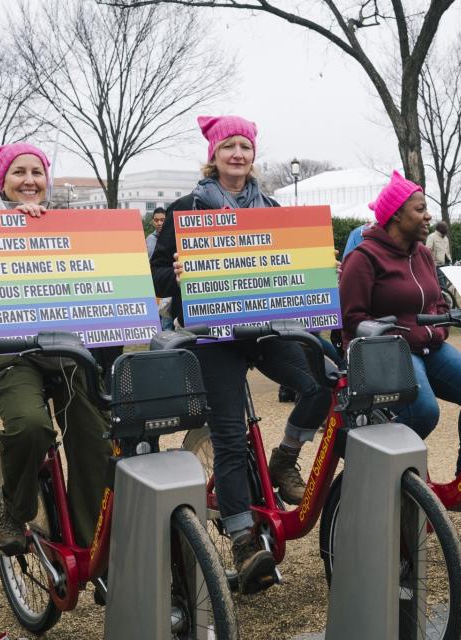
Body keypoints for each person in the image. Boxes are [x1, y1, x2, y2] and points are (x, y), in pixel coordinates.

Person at [150, 115, 331, 593]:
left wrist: (317, 268)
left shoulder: (270, 206)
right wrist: (178, 272)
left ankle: (284, 457)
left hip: (264, 327)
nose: (237, 154)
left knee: (321, 383)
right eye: (227, 146)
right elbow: (157, 279)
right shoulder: (186, 208)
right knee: (229, 438)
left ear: (254, 155)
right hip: (212, 334)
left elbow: (288, 268)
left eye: (244, 147)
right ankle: (243, 542)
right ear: (213, 155)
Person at [0, 143, 112, 557]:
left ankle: (93, 548)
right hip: (11, 354)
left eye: (37, 172)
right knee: (30, 427)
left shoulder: (69, 227)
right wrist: (8, 232)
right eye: (19, 172)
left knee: (97, 437)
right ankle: (15, 509)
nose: (30, 180)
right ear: (3, 182)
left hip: (66, 349)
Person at [339, 171, 461, 485]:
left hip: (430, 347)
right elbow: (352, 319)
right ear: (396, 215)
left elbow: (437, 302)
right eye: (420, 209)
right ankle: (384, 469)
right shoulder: (364, 258)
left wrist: (438, 329)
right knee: (425, 411)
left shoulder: (423, 254)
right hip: (387, 352)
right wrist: (402, 334)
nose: (428, 216)